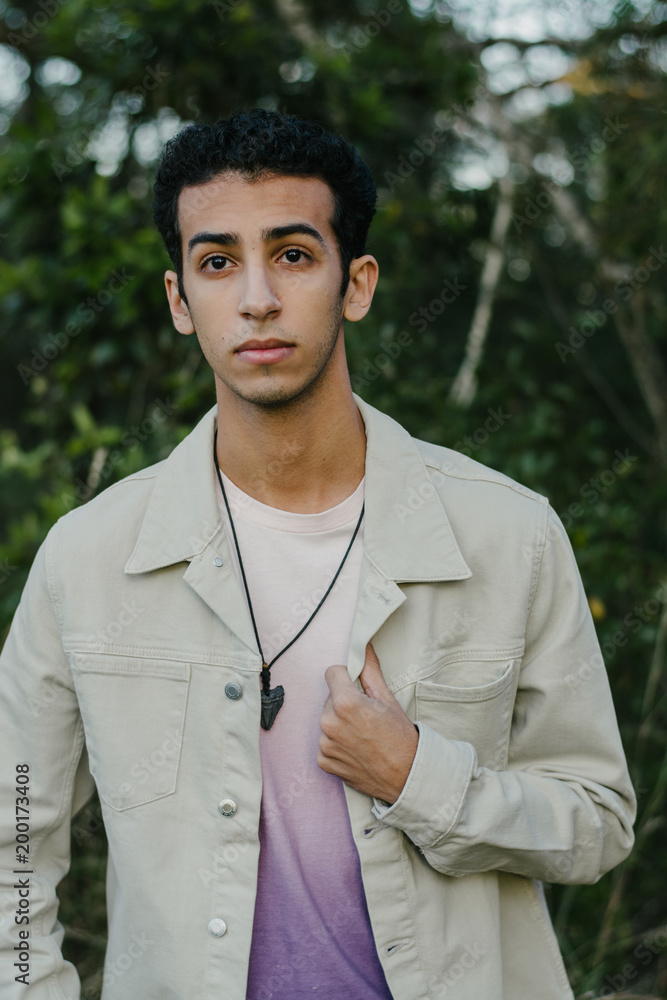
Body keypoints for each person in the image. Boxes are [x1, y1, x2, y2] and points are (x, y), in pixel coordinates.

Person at [0, 109, 635, 1000]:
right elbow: (13, 837)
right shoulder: (89, 558)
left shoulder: (508, 535)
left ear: (355, 284)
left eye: (293, 254)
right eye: (218, 262)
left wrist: (419, 778)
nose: (257, 297)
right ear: (179, 300)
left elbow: (597, 821)